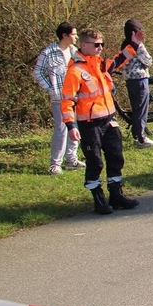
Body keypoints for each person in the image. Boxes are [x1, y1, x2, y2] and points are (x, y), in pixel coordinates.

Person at [61, 29, 140, 214]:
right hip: (89, 124)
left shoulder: (101, 64)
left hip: (108, 120)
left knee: (116, 157)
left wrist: (134, 44)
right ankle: (98, 199)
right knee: (95, 162)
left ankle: (116, 195)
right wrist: (71, 126)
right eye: (96, 45)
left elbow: (120, 59)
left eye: (102, 44)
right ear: (84, 45)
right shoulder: (75, 71)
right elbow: (67, 101)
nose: (100, 48)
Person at [32, 22, 86, 175]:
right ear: (64, 35)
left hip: (76, 97)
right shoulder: (48, 52)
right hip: (59, 99)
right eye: (74, 34)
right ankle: (55, 164)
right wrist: (51, 89)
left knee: (74, 127)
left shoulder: (75, 52)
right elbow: (38, 72)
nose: (76, 37)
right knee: (61, 129)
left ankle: (72, 159)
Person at [120, 19, 153, 147]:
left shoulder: (124, 44)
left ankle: (136, 134)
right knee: (141, 110)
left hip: (129, 81)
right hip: (140, 80)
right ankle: (140, 138)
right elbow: (148, 61)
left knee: (136, 108)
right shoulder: (137, 45)